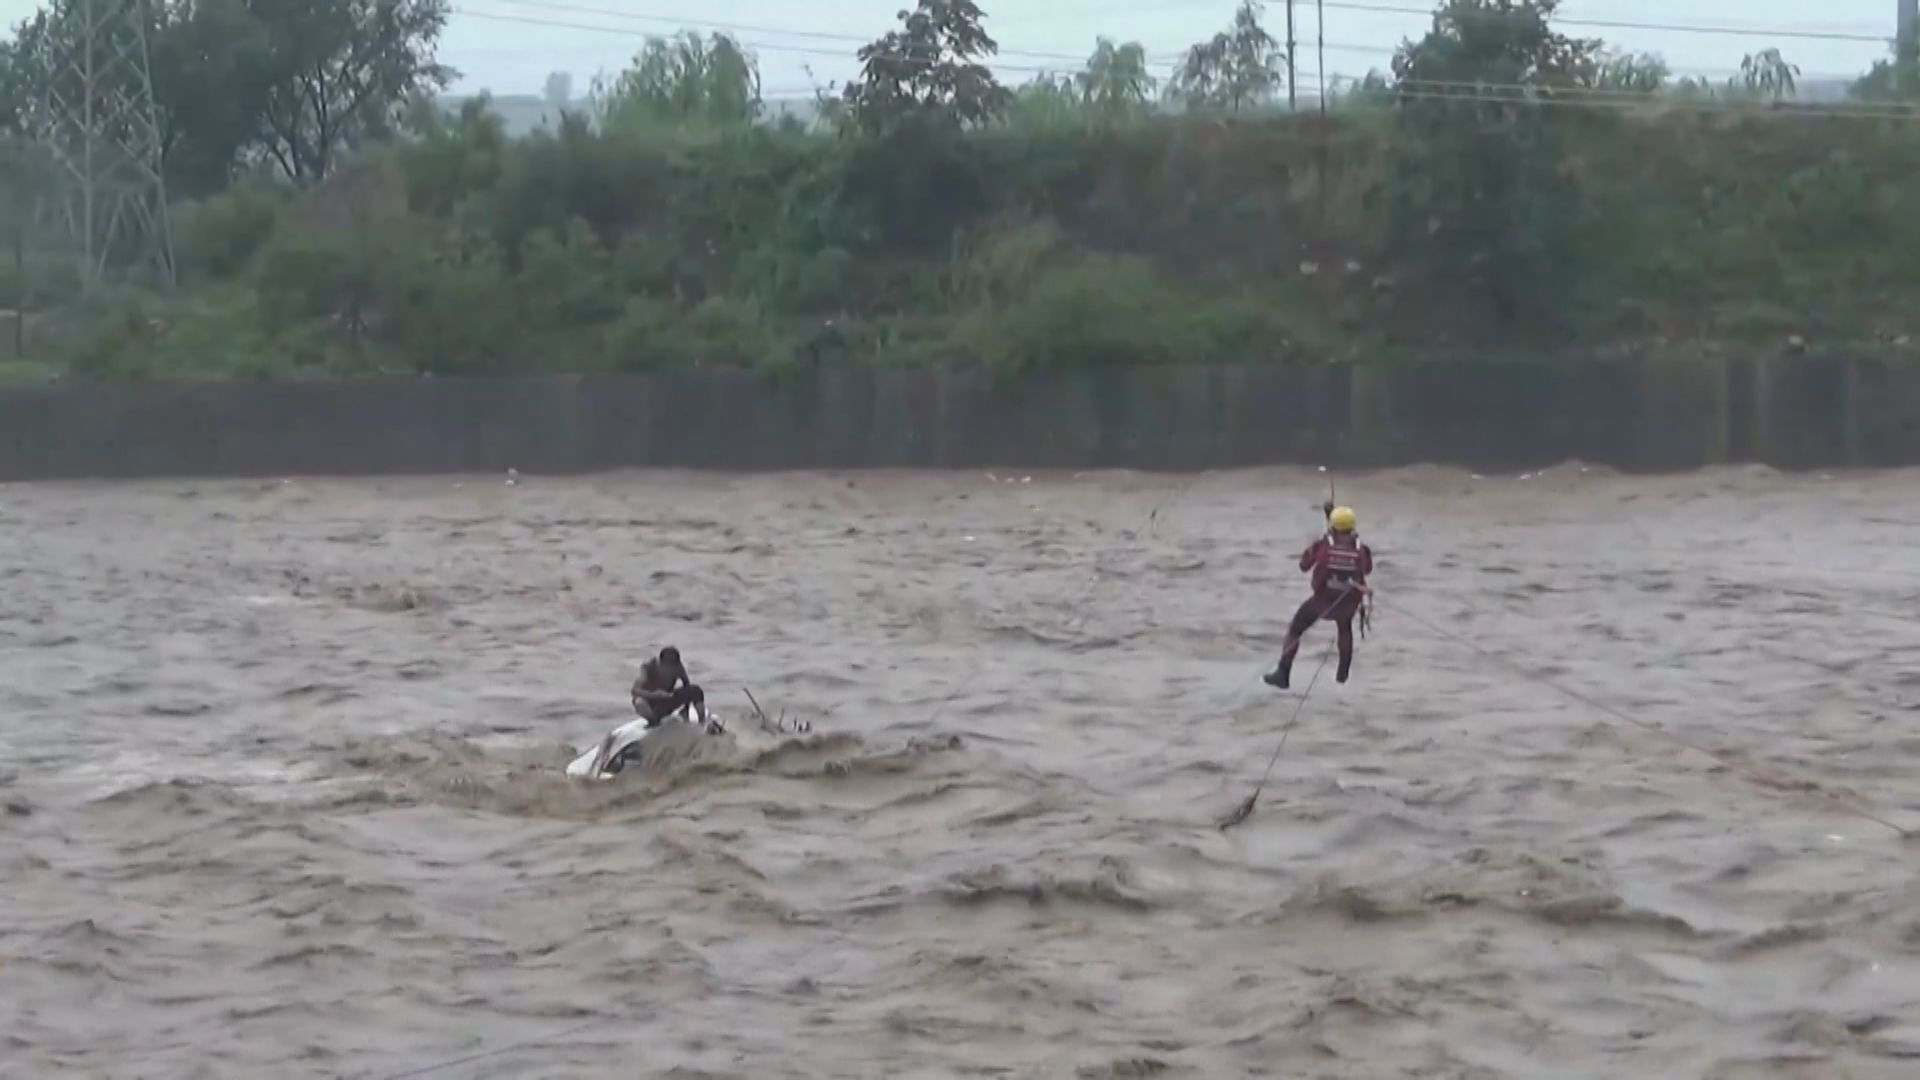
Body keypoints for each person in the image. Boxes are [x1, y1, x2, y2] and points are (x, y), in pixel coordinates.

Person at [1264, 504, 1373, 689]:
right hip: (1347, 604)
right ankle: (1342, 675)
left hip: (1322, 602)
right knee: (1345, 628)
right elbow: (1367, 569)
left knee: (1295, 629)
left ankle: (1283, 673)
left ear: (1332, 525)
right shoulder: (1361, 549)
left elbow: (1303, 565)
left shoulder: (1322, 546)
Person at [631, 646, 703, 726]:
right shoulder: (648, 667)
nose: (671, 670)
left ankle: (702, 722)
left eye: (673, 667)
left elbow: (686, 685)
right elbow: (635, 690)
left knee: (695, 691)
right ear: (660, 663)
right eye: (668, 667)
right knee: (639, 702)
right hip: (650, 703)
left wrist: (686, 709)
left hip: (667, 699)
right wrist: (654, 695)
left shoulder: (677, 666)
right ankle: (653, 722)